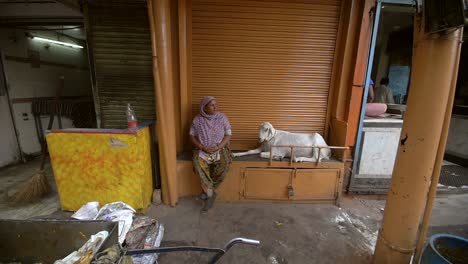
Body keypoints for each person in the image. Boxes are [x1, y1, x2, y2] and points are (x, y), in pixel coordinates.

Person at [190, 96, 232, 211]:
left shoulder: (221, 117)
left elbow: (228, 134)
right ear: (204, 107)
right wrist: (201, 146)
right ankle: (210, 195)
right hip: (203, 149)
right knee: (198, 165)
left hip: (220, 148)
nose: (215, 107)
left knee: (224, 164)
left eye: (216, 104)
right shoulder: (197, 120)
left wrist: (218, 146)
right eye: (212, 105)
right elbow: (192, 135)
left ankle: (209, 190)